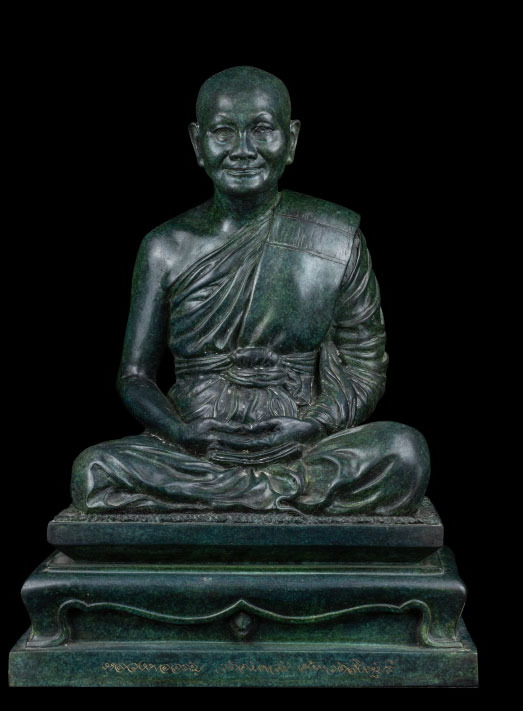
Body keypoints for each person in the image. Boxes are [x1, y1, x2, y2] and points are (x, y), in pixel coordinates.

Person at [71, 66, 430, 515]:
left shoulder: (333, 237)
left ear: (291, 140)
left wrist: (314, 426)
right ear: (197, 143)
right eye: (224, 132)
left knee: (405, 452)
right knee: (93, 470)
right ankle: (278, 494)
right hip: (197, 444)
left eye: (261, 129)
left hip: (300, 441)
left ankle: (231, 495)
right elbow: (135, 376)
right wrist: (180, 433)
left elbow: (365, 364)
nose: (243, 150)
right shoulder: (165, 247)